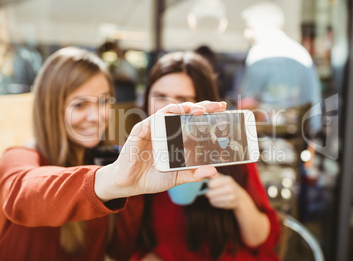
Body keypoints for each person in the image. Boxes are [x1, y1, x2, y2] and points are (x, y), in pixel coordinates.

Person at [0, 47, 224, 260]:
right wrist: (113, 178)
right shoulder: (19, 157)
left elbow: (121, 250)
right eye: (80, 105)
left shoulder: (109, 160)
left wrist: (131, 188)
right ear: (51, 107)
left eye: (104, 101)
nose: (97, 116)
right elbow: (21, 196)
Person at [132, 51, 280, 260]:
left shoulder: (228, 148)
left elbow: (265, 241)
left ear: (203, 105)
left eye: (183, 100)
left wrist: (240, 201)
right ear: (146, 99)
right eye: (160, 97)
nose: (170, 108)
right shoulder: (137, 157)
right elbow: (128, 243)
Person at [240, 2, 322, 136]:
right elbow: (314, 102)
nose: (246, 34)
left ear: (264, 25)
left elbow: (246, 103)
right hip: (299, 136)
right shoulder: (301, 52)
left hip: (269, 137)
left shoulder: (259, 53)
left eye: (250, 27)